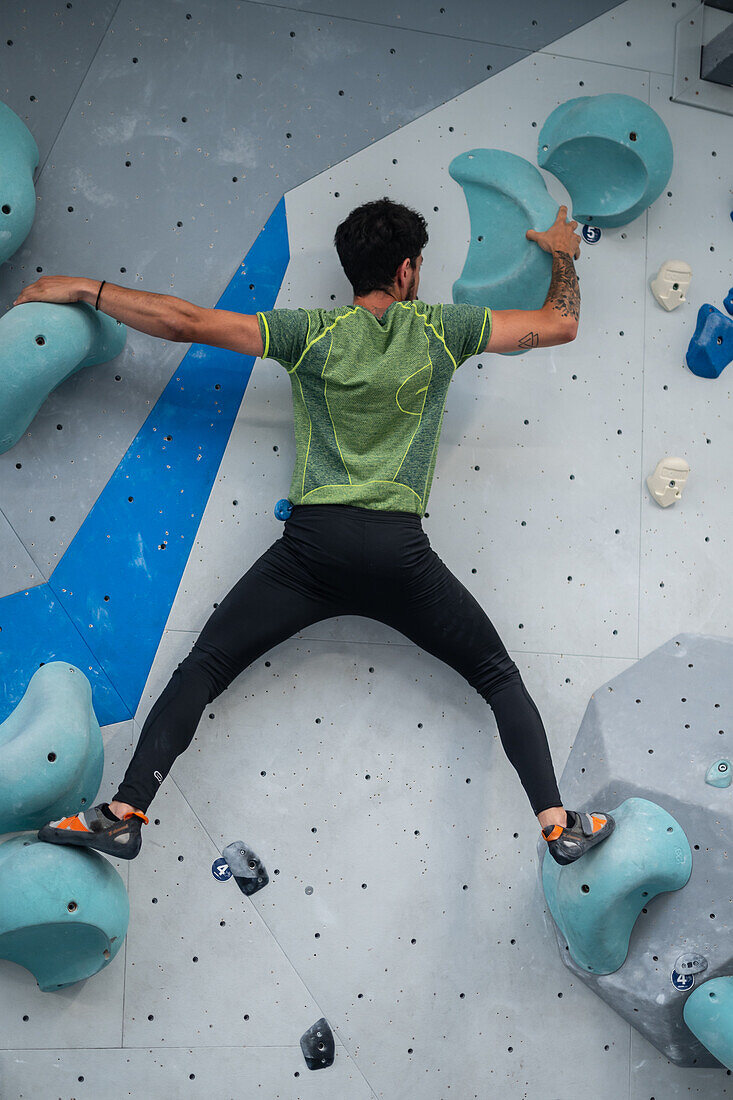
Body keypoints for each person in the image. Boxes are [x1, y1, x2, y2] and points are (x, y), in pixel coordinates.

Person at [22, 197, 614, 866]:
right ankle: (557, 825)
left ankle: (124, 813)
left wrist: (81, 287)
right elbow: (559, 324)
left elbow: (183, 322)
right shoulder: (444, 329)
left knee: (207, 666)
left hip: (311, 551)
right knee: (497, 677)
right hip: (399, 553)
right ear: (407, 271)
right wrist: (562, 252)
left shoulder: (312, 331)